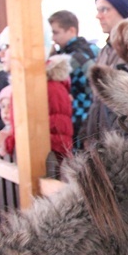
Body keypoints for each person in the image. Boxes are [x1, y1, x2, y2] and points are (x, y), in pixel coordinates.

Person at [0, 27, 73, 162]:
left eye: (6, 46)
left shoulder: (50, 89)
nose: (0, 54)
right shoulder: (29, 87)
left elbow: (56, 143)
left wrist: (8, 142)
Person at [82, 0, 128, 148]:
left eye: (104, 9)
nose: (99, 16)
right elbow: (97, 101)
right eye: (98, 10)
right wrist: (86, 134)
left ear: (122, 11)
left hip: (122, 142)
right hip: (101, 138)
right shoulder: (104, 50)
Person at [48, 10, 100, 150]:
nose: (53, 38)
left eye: (56, 32)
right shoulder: (91, 50)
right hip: (91, 118)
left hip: (78, 118)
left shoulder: (71, 58)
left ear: (71, 30)